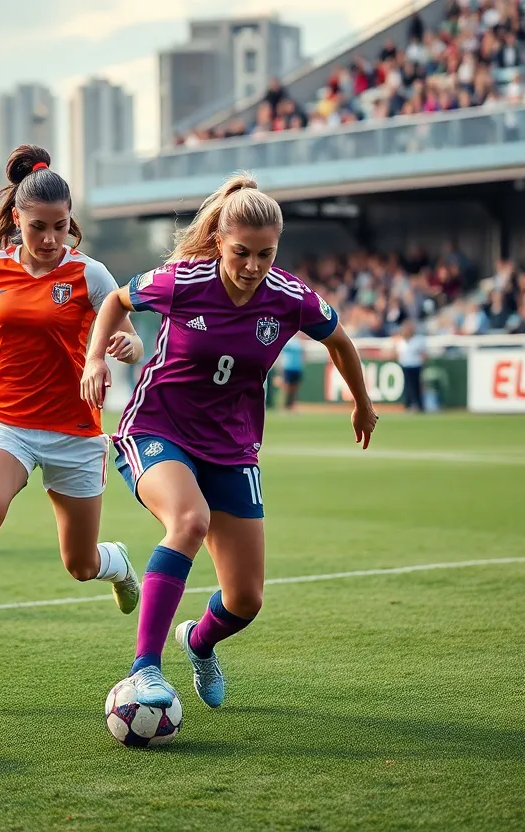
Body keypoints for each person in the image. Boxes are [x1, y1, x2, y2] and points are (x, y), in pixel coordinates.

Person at [80, 173, 379, 709]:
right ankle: (144, 670)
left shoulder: (290, 297)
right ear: (219, 239)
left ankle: (197, 643)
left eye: (266, 255)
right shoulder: (180, 280)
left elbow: (340, 341)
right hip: (157, 428)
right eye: (242, 252)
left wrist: (362, 402)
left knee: (245, 599)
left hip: (232, 448)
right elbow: (114, 303)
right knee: (188, 520)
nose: (253, 267)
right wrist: (96, 357)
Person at [0, 145, 146, 689]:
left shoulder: (89, 273)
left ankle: (114, 562)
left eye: (61, 227)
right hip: (7, 418)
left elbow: (134, 338)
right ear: (16, 219)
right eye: (39, 227)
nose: (50, 240)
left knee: (79, 565)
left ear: (72, 223)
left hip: (75, 429)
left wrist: (123, 343)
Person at [395, 319, 427, 412]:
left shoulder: (418, 340)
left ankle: (418, 404)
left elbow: (424, 354)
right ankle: (409, 404)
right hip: (405, 366)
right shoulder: (401, 341)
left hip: (416, 366)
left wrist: (423, 363)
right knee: (408, 386)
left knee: (416, 386)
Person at [277, 334, 304, 410]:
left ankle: (292, 406)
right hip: (288, 367)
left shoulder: (299, 342)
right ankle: (283, 406)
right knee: (286, 387)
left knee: (295, 388)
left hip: (297, 368)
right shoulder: (287, 341)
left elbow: (303, 355)